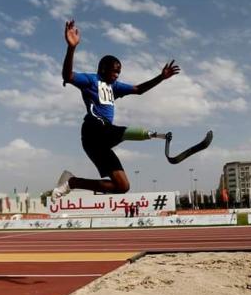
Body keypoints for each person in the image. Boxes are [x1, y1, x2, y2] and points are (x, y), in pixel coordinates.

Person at [51, 20, 180, 202]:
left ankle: (72, 182)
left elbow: (138, 89)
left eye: (119, 72)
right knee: (111, 128)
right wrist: (71, 48)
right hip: (93, 131)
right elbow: (68, 76)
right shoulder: (90, 80)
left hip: (101, 143)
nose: (117, 75)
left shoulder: (115, 87)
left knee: (122, 186)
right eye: (114, 72)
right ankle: (153, 134)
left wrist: (161, 77)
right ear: (103, 69)